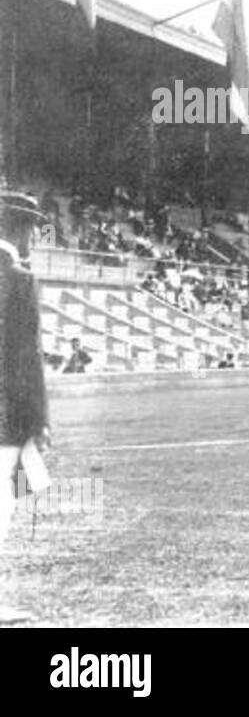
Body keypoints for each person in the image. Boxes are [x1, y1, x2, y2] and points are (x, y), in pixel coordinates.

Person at [0, 192, 53, 623]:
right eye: (33, 227)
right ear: (18, 228)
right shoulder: (19, 279)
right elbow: (27, 357)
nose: (35, 235)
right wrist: (39, 421)